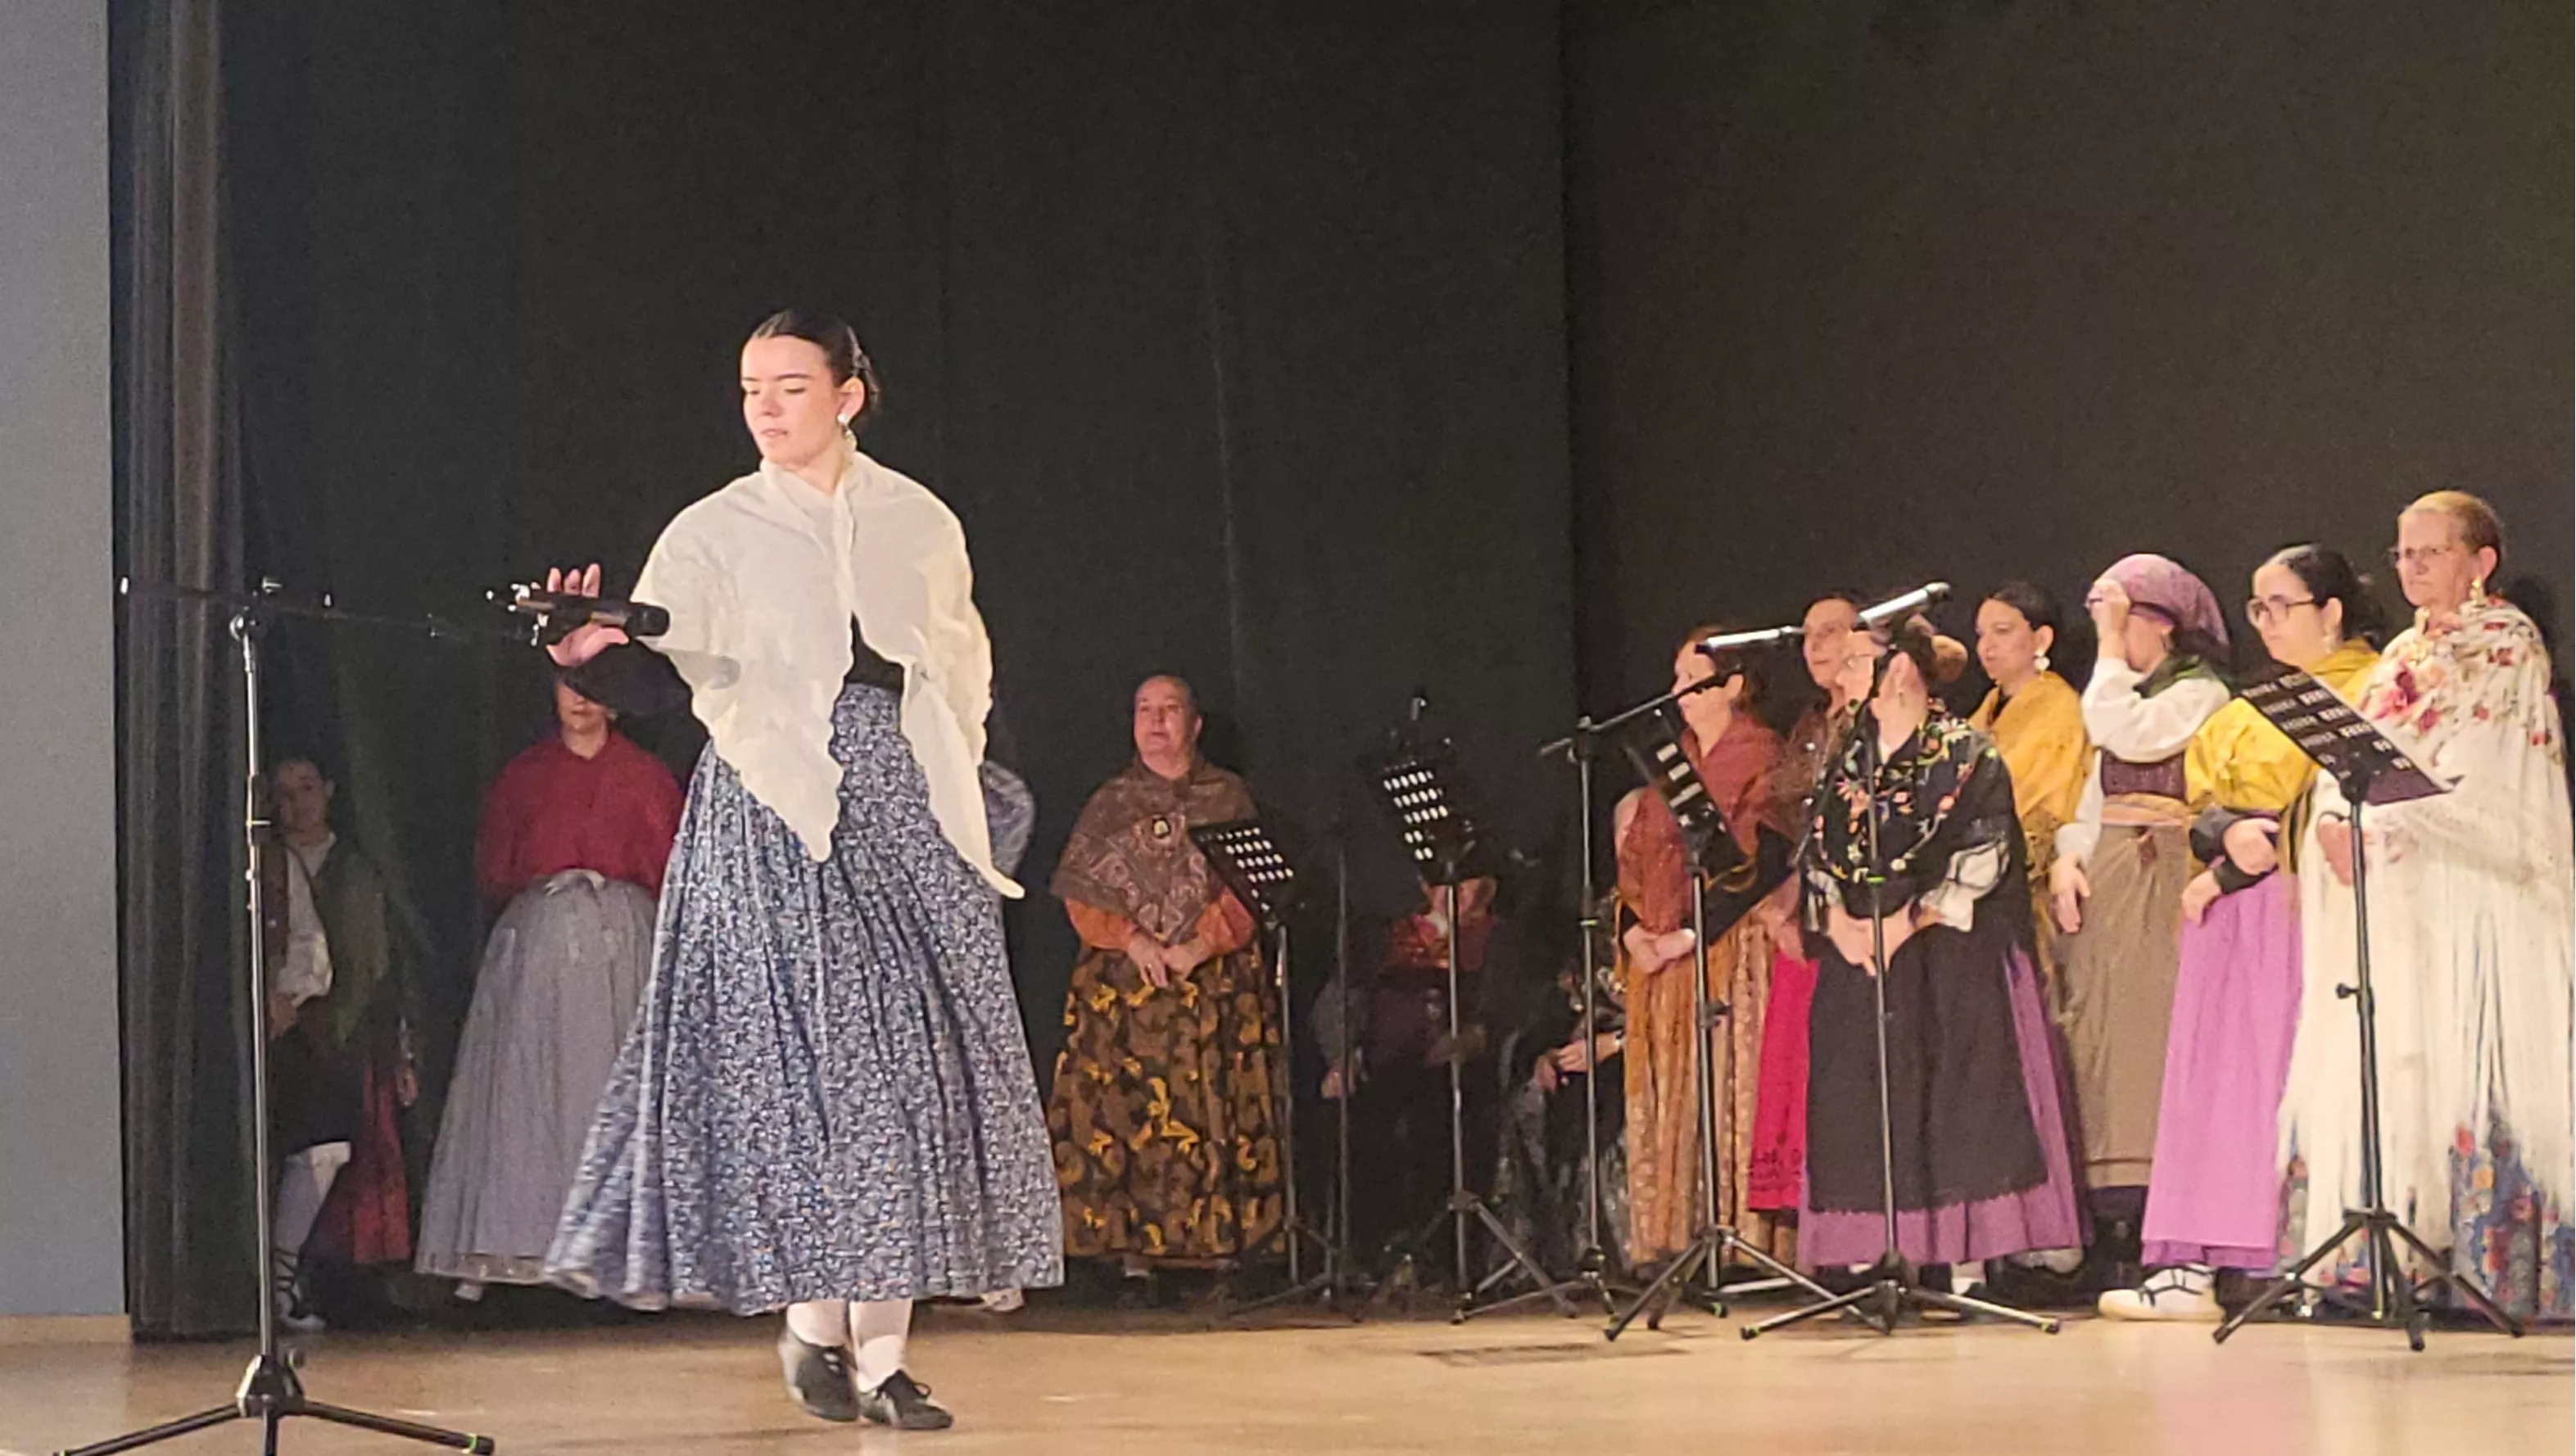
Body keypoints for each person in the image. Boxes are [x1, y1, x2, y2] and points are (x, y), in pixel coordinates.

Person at [536, 310, 1060, 1431]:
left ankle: (874, 1349)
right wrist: (587, 651)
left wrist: (962, 810)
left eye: (789, 386)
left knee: (905, 1077)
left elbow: (959, 674)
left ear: (848, 395)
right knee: (813, 1076)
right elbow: (666, 680)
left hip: (897, 798)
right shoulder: (714, 528)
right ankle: (822, 1326)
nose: (767, 408)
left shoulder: (917, 518)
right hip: (771, 807)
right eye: (749, 389)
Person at [2282, 493, 2573, 1321]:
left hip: (2476, 890)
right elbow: (2356, 748)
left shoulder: (2507, 643)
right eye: (2402, 553)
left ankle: (2493, 1268)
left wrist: (2384, 817)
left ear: (2478, 561)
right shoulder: (2404, 649)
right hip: (2401, 883)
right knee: (2401, 1061)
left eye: (2430, 552)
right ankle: (2392, 1259)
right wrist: (2339, 818)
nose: (2411, 567)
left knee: (2472, 1056)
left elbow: (2483, 766)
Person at [2099, 546, 2383, 1319]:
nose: (2264, 622)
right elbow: (2206, 794)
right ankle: (2192, 1264)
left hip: (2296, 907)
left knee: (2269, 1079)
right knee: (2210, 1082)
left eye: (2280, 605)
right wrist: (2220, 840)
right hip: (2230, 904)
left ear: (2329, 611)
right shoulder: (2261, 698)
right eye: (2254, 607)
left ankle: (2274, 1258)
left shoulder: (2366, 687)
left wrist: (2232, 862)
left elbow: (2313, 799)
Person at [1797, 617, 2084, 1282]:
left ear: (1897, 670)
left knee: (1959, 1091)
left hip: (1947, 953)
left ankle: (1966, 1256)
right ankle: (1876, 1249)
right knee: (1862, 1091)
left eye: (1855, 662)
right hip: (1861, 952)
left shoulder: (1965, 753)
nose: (1842, 676)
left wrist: (1909, 921)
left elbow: (1985, 850)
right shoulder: (1846, 755)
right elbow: (1815, 848)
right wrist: (1837, 920)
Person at [414, 679, 682, 1295]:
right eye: (571, 687)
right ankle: (525, 1241)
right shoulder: (525, 774)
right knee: (531, 1088)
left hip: (623, 945)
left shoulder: (645, 775)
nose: (582, 700)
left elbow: (669, 864)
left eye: (595, 688)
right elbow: (495, 866)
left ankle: (625, 1257)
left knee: (615, 1085)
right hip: (540, 949)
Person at [1048, 676, 1283, 1291]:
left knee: (1214, 1111)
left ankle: (1220, 1249)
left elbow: (1251, 886)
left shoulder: (1228, 797)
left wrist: (1201, 945)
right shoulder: (1110, 803)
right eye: (1144, 711)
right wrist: (1135, 941)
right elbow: (1080, 892)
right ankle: (1133, 1256)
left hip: (1211, 983)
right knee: (1125, 1113)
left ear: (1194, 724)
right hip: (1129, 990)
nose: (1155, 723)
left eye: (1169, 710)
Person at [2049, 554, 2232, 1261]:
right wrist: (2069, 855)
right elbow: (2091, 790)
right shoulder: (2133, 690)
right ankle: (2111, 1213)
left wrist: (2104, 647)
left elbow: (2120, 728)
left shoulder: (2199, 692)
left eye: (2122, 620)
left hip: (2162, 879)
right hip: (2113, 878)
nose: (2112, 635)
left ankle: (2167, 1209)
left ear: (2160, 625)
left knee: (2153, 1040)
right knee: (2102, 1044)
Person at [1614, 629, 1792, 1268]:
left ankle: (1738, 1243)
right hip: (1659, 954)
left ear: (1733, 686)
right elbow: (1635, 854)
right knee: (1670, 1095)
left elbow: (1763, 861)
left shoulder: (1762, 753)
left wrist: (1689, 933)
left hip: (1724, 946)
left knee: (1722, 1085)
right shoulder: (1674, 760)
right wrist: (1633, 930)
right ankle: (1676, 1242)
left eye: (1689, 680)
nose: (1676, 695)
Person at [259, 754, 421, 1332]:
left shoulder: (355, 872)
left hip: (332, 1037)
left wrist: (397, 1049)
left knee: (327, 1149)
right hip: (277, 1037)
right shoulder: (265, 865)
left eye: (307, 788)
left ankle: (286, 1281)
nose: (297, 804)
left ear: (327, 791)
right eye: (284, 793)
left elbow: (374, 965)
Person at [1315, 873, 1511, 1274]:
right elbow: (1340, 997)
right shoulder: (1390, 935)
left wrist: (1473, 1036)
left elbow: (1506, 1010)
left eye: (1464, 883)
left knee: (1439, 1126)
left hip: (1459, 1071)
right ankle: (1368, 1255)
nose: (1451, 893)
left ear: (1487, 888)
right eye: (1440, 884)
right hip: (1382, 1065)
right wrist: (1343, 1054)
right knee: (1355, 1122)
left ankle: (1444, 1257)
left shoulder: (1496, 939)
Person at [1967, 582, 2091, 993]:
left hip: (2027, 893)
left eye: (2002, 632)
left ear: (2041, 638)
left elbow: (2049, 807)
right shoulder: (1983, 712)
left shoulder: (2059, 709)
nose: (1987, 647)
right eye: (1981, 635)